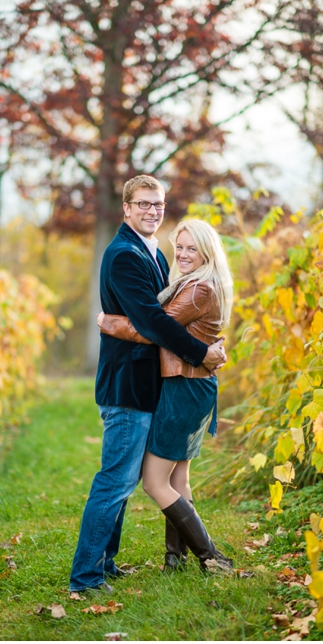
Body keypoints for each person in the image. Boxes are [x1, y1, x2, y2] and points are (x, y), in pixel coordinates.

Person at [69, 175, 227, 595]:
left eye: (157, 204)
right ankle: (85, 577)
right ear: (126, 208)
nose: (151, 210)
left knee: (123, 480)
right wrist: (202, 352)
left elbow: (166, 314)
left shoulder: (155, 253)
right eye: (142, 204)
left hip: (150, 384)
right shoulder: (124, 255)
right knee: (115, 479)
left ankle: (106, 561)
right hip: (128, 385)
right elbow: (153, 321)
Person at [97, 218, 235, 574]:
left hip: (185, 386)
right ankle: (175, 560)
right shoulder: (195, 283)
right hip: (192, 383)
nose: (185, 254)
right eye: (181, 247)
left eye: (193, 248)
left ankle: (210, 556)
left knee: (155, 482)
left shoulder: (198, 289)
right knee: (178, 480)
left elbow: (153, 330)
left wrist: (107, 322)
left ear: (207, 252)